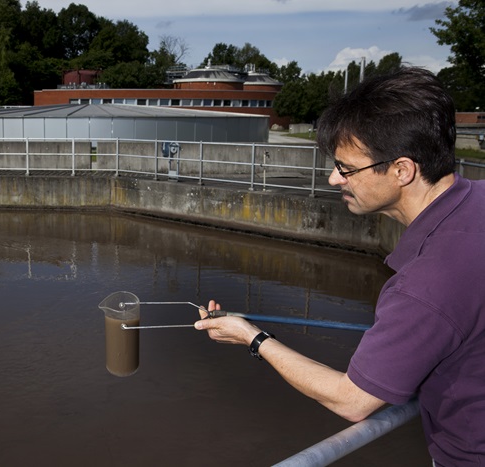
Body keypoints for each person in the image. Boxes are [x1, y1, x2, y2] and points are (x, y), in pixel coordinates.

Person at [195, 67, 485, 466]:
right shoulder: (477, 202)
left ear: (402, 170)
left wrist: (251, 337)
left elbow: (352, 400)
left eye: (347, 168)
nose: (333, 179)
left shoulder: (426, 284)